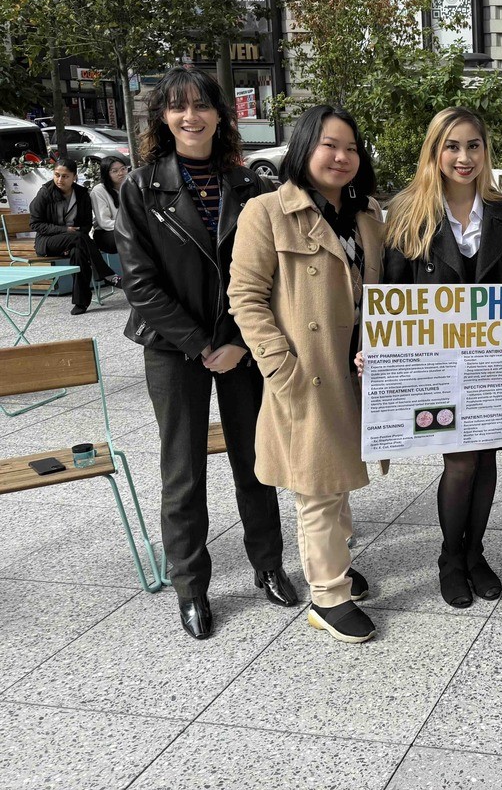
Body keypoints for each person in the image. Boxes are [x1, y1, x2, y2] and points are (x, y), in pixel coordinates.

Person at [114, 66, 295, 640]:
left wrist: (239, 342)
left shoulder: (250, 185)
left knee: (255, 460)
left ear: (221, 114)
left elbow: (273, 276)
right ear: (164, 119)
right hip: (173, 348)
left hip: (241, 347)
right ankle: (192, 587)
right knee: (183, 470)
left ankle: (268, 566)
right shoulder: (141, 188)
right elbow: (139, 283)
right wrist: (201, 344)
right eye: (177, 107)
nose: (190, 116)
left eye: (201, 105)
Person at [229, 105, 384, 643]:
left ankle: (334, 566)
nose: (341, 157)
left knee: (338, 481)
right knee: (316, 487)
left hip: (358, 371)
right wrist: (281, 368)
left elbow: (381, 298)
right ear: (303, 149)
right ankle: (328, 597)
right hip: (308, 373)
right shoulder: (267, 212)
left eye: (350, 147)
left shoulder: (367, 217)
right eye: (328, 145)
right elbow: (245, 299)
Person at [381, 107, 502, 608]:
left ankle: (476, 556)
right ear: (435, 151)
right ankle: (452, 558)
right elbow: (391, 297)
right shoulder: (408, 214)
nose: (463, 157)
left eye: (473, 146)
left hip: (494, 364)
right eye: (452, 146)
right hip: (439, 365)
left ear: (485, 152)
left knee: (487, 457)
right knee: (461, 460)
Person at [28, 159, 121, 314]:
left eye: (65, 176)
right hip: (47, 241)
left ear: (74, 177)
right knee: (78, 238)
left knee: (78, 252)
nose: (59, 179)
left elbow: (86, 224)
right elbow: (35, 224)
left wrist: (76, 232)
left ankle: (81, 303)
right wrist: (65, 230)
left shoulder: (82, 194)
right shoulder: (45, 192)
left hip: (75, 241)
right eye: (57, 175)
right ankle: (106, 274)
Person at [90, 157, 129, 254]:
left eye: (123, 169)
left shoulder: (131, 186)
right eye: (114, 171)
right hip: (106, 232)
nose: (120, 173)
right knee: (132, 239)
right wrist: (130, 227)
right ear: (106, 174)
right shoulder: (99, 191)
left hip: (130, 229)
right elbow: (104, 222)